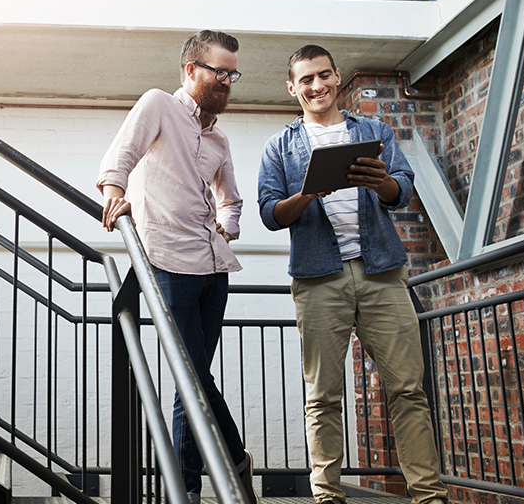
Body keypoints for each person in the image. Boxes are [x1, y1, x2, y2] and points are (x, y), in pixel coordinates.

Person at [257, 44, 448, 504]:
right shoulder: (280, 146)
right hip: (319, 277)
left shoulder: (374, 130)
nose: (316, 86)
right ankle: (328, 495)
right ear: (292, 87)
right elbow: (269, 212)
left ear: (337, 78)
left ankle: (428, 494)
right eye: (306, 79)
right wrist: (307, 194)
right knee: (322, 394)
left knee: (407, 388)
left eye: (323, 76)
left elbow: (400, 190)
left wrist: (377, 180)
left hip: (382, 270)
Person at [97, 30, 255, 504]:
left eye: (232, 74)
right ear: (191, 70)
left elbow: (232, 200)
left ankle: (195, 484)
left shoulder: (220, 139)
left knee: (195, 379)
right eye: (219, 72)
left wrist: (228, 224)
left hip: (214, 269)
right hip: (168, 262)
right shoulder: (157, 106)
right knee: (192, 377)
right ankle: (218, 469)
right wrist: (113, 197)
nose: (227, 81)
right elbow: (119, 158)